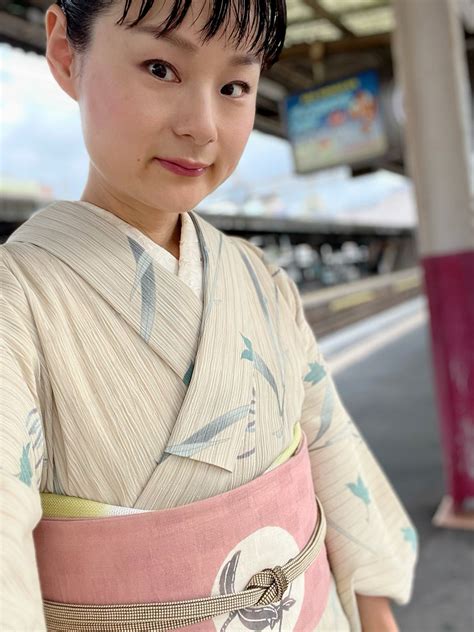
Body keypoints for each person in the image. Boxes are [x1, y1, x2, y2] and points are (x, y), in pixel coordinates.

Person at [0, 1, 417, 630]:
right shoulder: (18, 301)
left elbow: (334, 463)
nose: (202, 126)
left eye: (233, 86)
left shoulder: (262, 279)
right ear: (65, 51)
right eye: (161, 67)